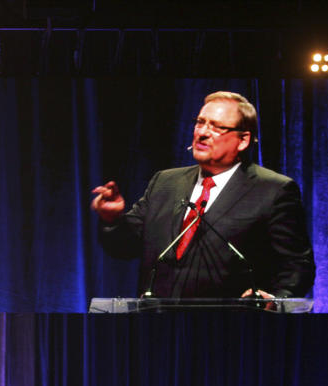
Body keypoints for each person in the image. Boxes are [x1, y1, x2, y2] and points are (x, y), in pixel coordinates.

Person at [91, 91, 315, 299]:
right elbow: (125, 247)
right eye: (200, 122)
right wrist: (112, 220)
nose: (202, 133)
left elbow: (297, 264)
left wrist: (276, 299)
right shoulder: (165, 182)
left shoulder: (273, 190)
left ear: (243, 140)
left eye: (217, 127)